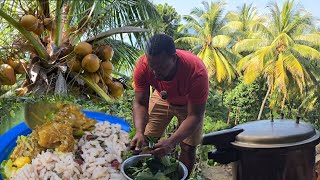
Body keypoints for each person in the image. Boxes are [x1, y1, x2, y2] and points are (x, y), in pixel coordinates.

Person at [130, 33, 209, 175]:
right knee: (147, 140)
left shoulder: (196, 72)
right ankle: (145, 174)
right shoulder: (143, 65)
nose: (155, 73)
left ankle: (182, 177)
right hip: (162, 96)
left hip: (189, 106)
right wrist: (139, 132)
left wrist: (172, 142)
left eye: (161, 68)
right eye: (152, 67)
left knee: (188, 147)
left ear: (173, 58)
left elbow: (194, 116)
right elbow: (140, 102)